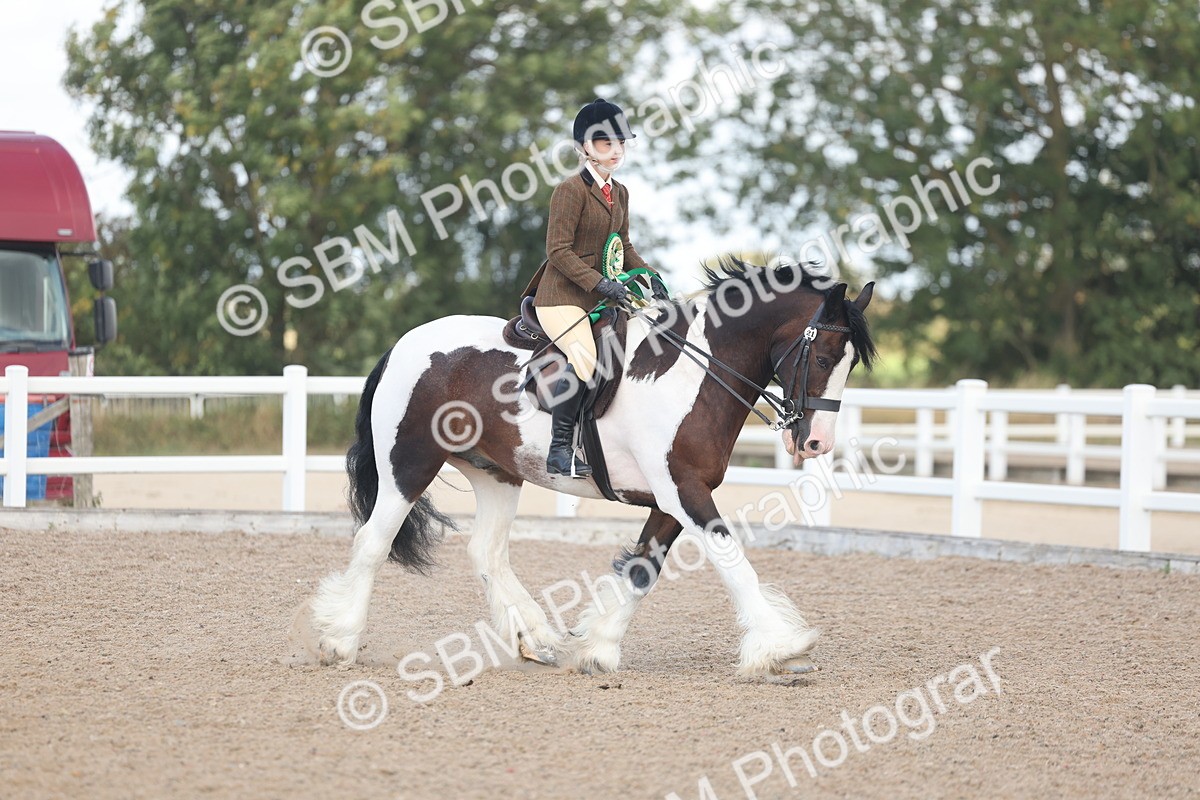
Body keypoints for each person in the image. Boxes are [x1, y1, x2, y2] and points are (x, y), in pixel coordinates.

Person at [519, 98, 670, 477]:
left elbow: (624, 245)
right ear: (584, 147)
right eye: (606, 143)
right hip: (561, 297)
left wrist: (652, 277)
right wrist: (602, 284)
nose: (616, 151)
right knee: (585, 359)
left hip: (601, 294)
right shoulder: (569, 191)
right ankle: (560, 450)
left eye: (621, 143)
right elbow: (557, 251)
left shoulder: (620, 192)